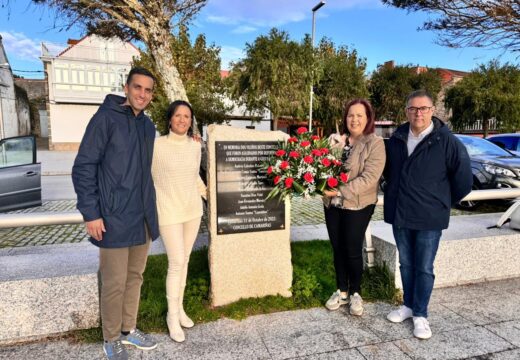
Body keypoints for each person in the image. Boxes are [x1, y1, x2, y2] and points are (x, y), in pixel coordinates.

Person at [72, 67, 160, 360]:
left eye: (148, 90)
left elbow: (145, 173)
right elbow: (84, 166)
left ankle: (128, 330)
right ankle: (111, 338)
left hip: (141, 217)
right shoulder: (105, 119)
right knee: (114, 282)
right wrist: (91, 213)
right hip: (111, 217)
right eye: (138, 87)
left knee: (135, 276)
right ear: (126, 87)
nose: (142, 94)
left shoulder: (148, 127)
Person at [384, 90, 472, 339]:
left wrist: (441, 201)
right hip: (401, 213)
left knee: (424, 266)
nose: (418, 113)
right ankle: (409, 306)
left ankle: (421, 314)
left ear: (433, 111)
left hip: (429, 217)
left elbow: (463, 181)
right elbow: (389, 173)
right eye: (413, 108)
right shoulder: (397, 138)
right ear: (406, 112)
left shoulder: (447, 141)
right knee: (406, 263)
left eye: (423, 108)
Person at [322, 98, 386, 316]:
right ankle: (341, 290)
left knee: (351, 248)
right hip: (332, 204)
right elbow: (322, 168)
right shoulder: (336, 140)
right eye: (351, 115)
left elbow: (369, 178)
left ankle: (356, 292)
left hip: (358, 204)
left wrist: (340, 190)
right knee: (337, 246)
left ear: (368, 118)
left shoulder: (375, 144)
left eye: (360, 115)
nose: (354, 119)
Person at [151, 100, 206, 343]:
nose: (182, 120)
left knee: (184, 261)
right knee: (176, 262)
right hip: (168, 212)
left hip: (192, 210)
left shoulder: (195, 146)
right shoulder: (156, 145)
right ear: (170, 119)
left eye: (187, 116)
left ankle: (180, 308)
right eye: (178, 115)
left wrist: (210, 197)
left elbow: (195, 177)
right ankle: (172, 317)